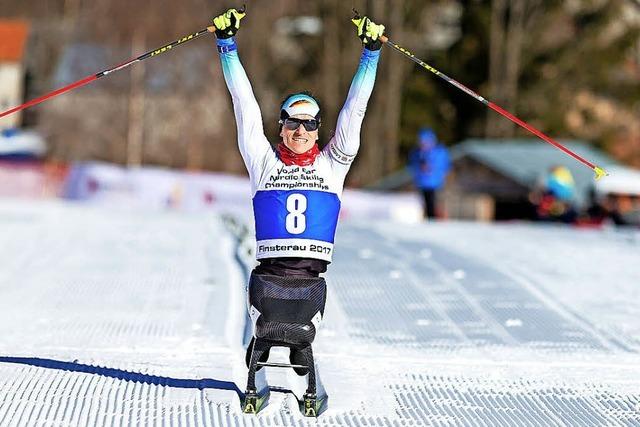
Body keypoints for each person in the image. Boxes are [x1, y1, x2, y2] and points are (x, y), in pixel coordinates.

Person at [212, 7, 384, 414]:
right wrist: (227, 47)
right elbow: (243, 102)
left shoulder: (334, 163)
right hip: (268, 277)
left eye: (309, 125)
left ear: (319, 130)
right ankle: (263, 366)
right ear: (281, 126)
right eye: (292, 123)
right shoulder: (263, 161)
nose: (301, 131)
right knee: (270, 324)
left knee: (296, 328)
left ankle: (293, 362)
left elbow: (355, 110)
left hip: (310, 281)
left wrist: (371, 54)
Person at [408, 128, 450, 219]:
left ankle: (436, 220)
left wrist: (431, 168)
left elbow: (444, 166)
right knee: (425, 204)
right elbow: (412, 166)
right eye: (421, 142)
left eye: (425, 142)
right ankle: (429, 219)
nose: (423, 144)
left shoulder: (439, 152)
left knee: (434, 203)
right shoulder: (416, 153)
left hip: (436, 184)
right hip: (422, 183)